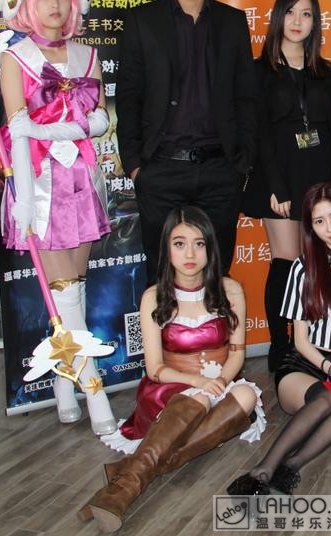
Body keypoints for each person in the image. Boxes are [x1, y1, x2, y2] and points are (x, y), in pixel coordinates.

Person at [80, 206, 264, 531]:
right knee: (200, 399)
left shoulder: (230, 289)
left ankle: (131, 469)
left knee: (248, 395)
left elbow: (237, 354)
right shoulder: (153, 296)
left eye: (198, 243)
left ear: (210, 247)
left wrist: (221, 380)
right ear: (167, 249)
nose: (189, 254)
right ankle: (125, 490)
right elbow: (154, 369)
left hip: (219, 383)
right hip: (171, 388)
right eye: (179, 244)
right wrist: (197, 382)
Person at [0, 0, 117, 434]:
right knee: (65, 296)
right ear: (27, 2)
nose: (55, 5)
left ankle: (65, 383)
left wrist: (53, 129)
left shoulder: (87, 55)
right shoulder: (15, 57)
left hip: (81, 180)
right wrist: (23, 199)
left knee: (73, 292)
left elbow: (100, 120)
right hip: (40, 185)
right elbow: (17, 132)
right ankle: (96, 393)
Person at [116, 0, 258, 282]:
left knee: (216, 274)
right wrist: (135, 165)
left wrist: (241, 164)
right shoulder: (142, 21)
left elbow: (246, 96)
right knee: (162, 275)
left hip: (220, 170)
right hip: (160, 168)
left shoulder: (232, 22)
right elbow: (129, 96)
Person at [228, 181, 331, 495]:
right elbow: (300, 341)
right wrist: (329, 368)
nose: (330, 228)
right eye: (319, 221)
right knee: (329, 395)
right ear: (311, 227)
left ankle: (292, 466)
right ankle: (262, 470)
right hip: (303, 365)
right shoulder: (303, 269)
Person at [242, 0, 331, 373]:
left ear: (315, 22)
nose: (297, 21)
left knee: (319, 263)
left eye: (306, 14)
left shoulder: (324, 71)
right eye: (290, 12)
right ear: (278, 18)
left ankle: (318, 341)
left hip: (320, 178)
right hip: (280, 180)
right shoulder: (260, 71)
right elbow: (260, 134)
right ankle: (280, 343)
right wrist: (277, 186)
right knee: (286, 264)